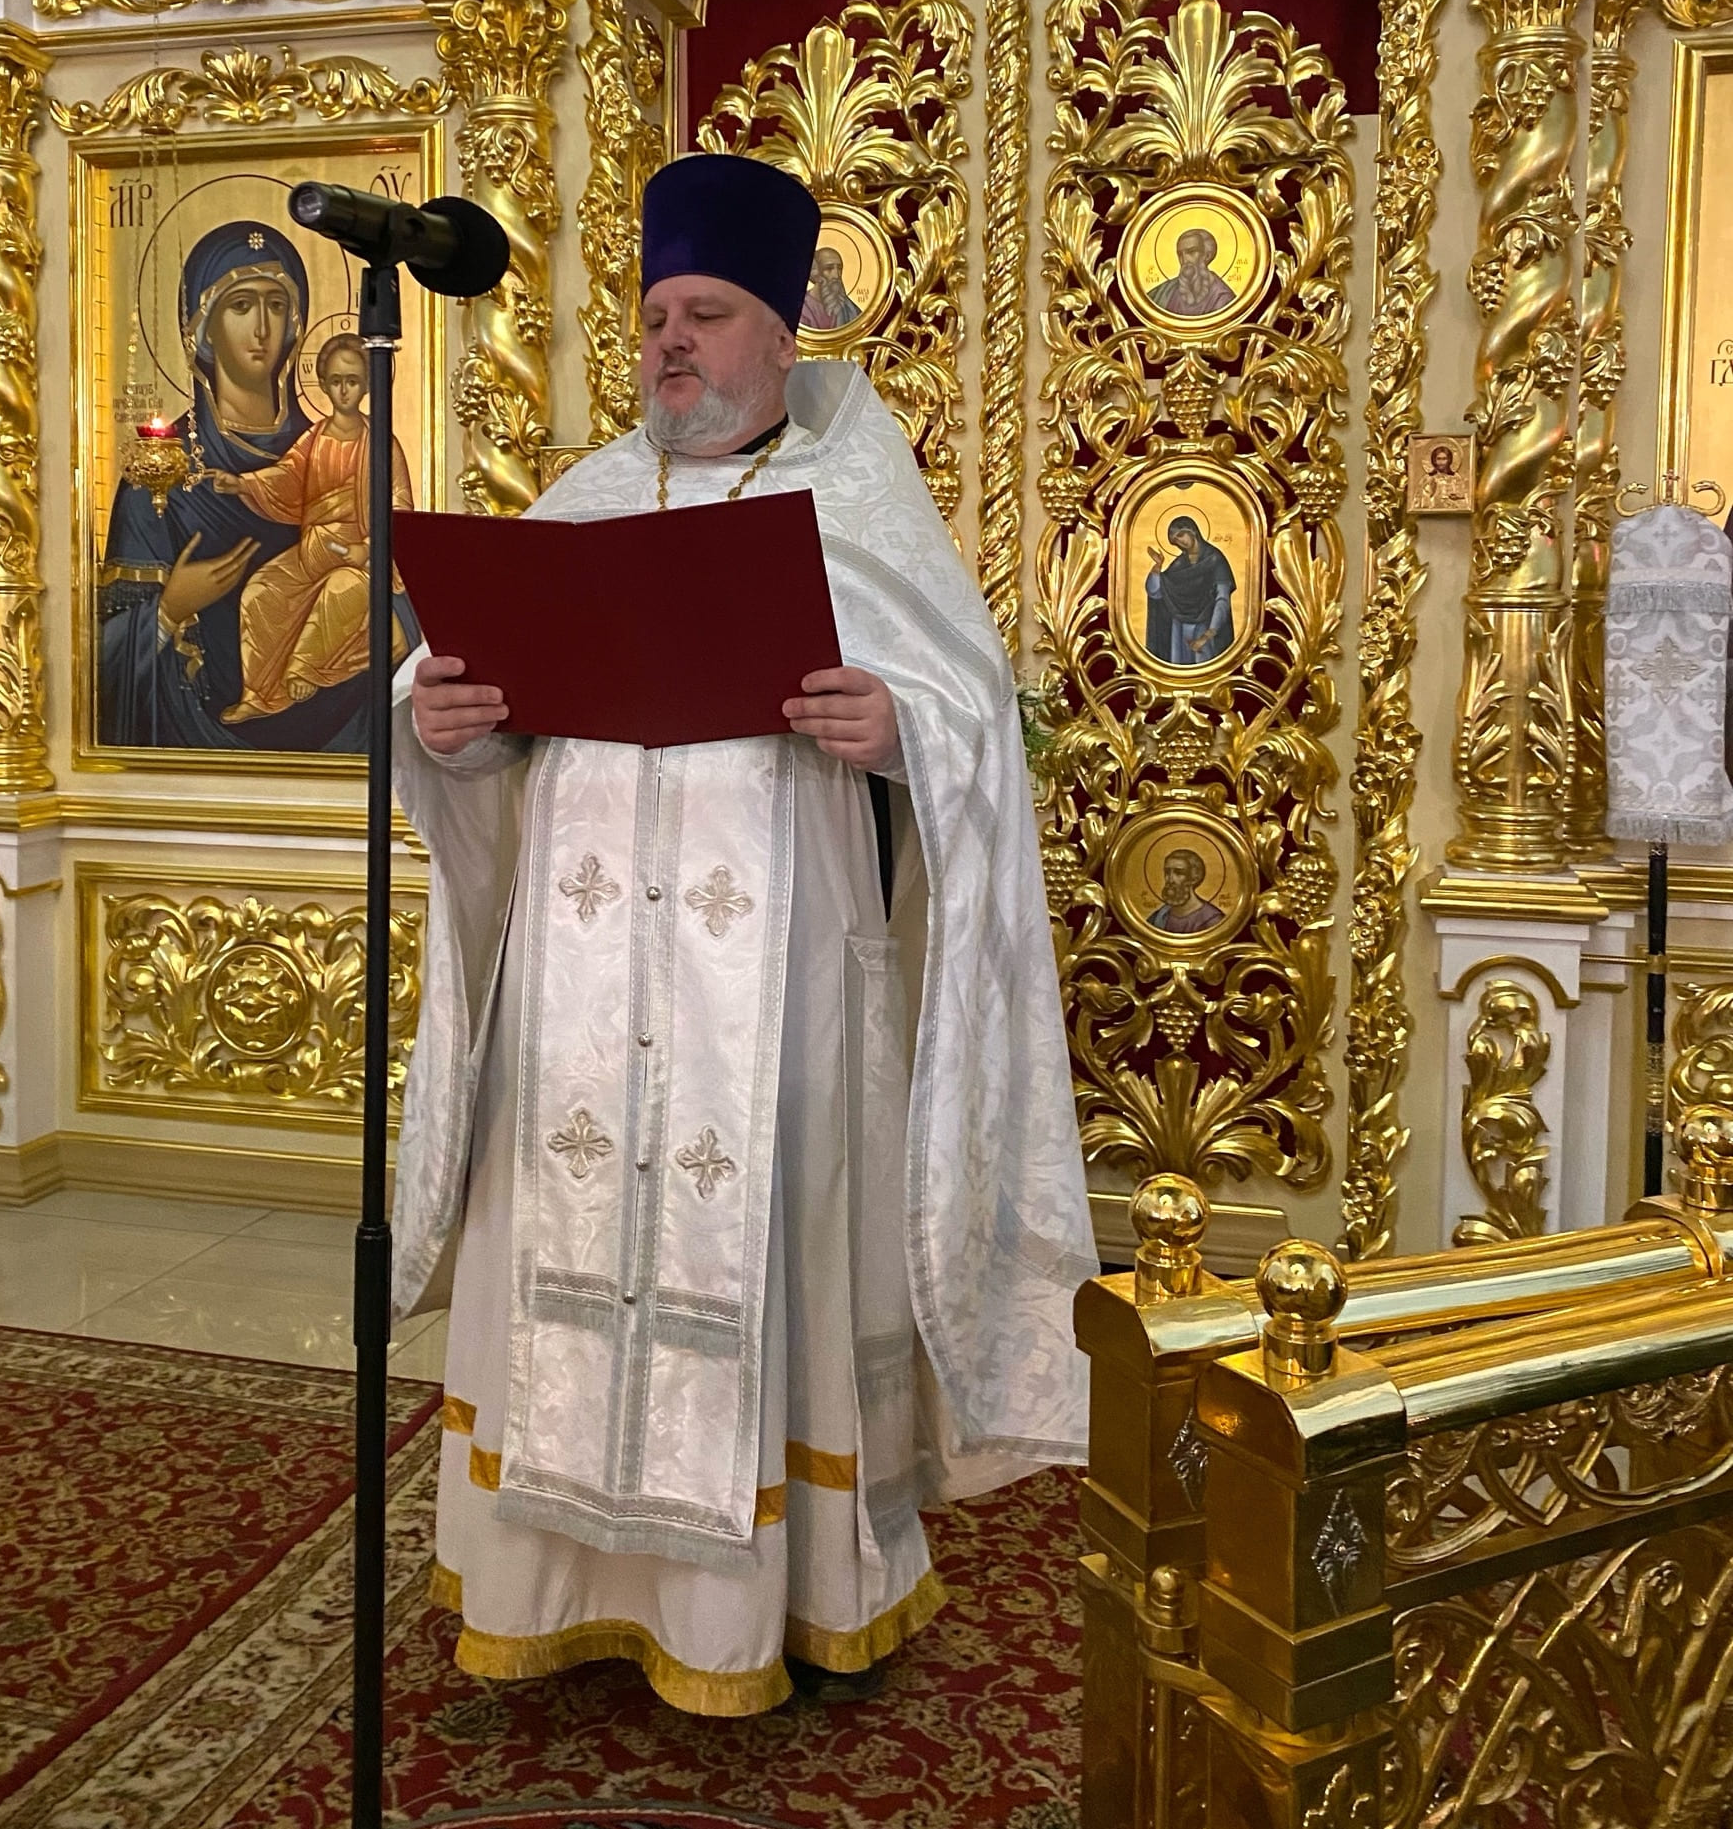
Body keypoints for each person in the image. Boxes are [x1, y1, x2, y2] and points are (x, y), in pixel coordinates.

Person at [394, 149, 1093, 1716]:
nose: (671, 346)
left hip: (771, 989)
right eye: (655, 319)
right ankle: (549, 1581)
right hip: (579, 983)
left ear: (783, 335)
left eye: (704, 316)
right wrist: (446, 727)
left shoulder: (860, 504)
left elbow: (975, 727)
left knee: (765, 1249)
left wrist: (900, 731)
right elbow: (493, 730)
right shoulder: (580, 500)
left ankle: (767, 1604)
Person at [97, 220, 418, 752]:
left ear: (295, 323)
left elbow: (407, 573)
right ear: (202, 327)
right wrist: (169, 609)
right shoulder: (160, 472)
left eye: (276, 305)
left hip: (349, 738)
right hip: (194, 755)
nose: (262, 328)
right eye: (241, 306)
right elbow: (100, 663)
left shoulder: (338, 443)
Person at [213, 332, 414, 726]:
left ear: (367, 385)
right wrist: (242, 484)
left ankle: (302, 671)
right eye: (336, 381)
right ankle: (258, 696)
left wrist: (368, 548)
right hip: (312, 552)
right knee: (259, 591)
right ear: (322, 383)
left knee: (338, 589)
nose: (344, 390)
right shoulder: (315, 438)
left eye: (352, 381)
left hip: (360, 560)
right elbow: (287, 476)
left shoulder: (382, 443)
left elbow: (399, 507)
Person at [1144, 513, 1235, 664]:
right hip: (1179, 628)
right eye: (1175, 540)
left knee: (1205, 666)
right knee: (1179, 668)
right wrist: (1157, 567)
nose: (1180, 542)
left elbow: (1222, 599)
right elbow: (1157, 593)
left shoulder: (1215, 559)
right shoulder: (1180, 564)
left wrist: (1208, 635)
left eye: (1181, 535)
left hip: (1206, 626)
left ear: (1193, 531)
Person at [1145, 223, 1237, 319]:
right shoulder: (1163, 292)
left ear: (1207, 256)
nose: (1184, 260)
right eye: (1180, 254)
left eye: (1191, 252)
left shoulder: (1222, 297)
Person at [1146, 848, 1225, 937]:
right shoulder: (1158, 917)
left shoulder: (1211, 920)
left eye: (1179, 873)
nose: (1170, 879)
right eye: (1167, 872)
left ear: (1194, 878)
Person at [802, 242, 861, 334]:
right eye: (829, 269)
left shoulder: (849, 308)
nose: (836, 275)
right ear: (816, 273)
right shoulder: (804, 308)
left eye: (839, 269)